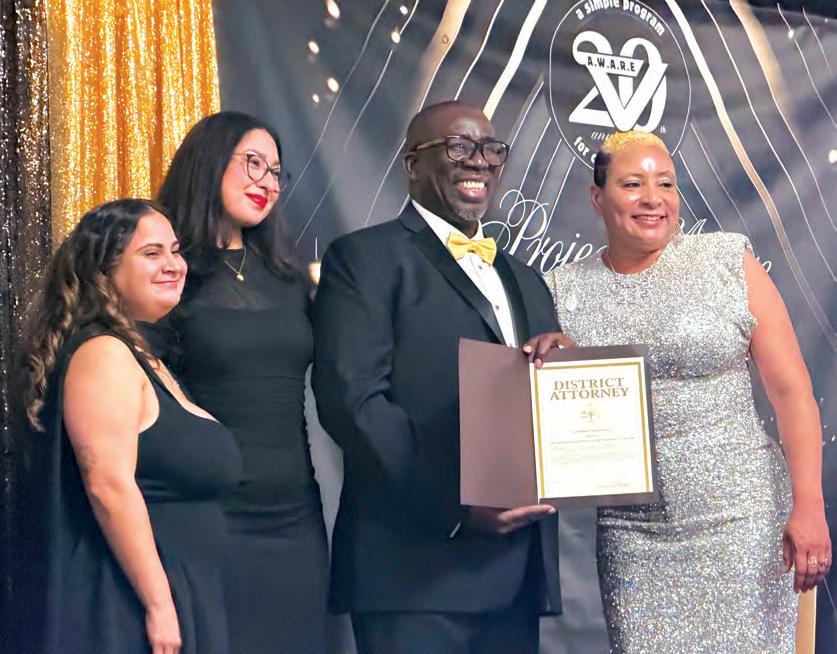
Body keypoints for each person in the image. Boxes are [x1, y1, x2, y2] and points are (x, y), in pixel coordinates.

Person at [529, 130, 831, 653]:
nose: (653, 198)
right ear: (597, 197)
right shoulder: (561, 290)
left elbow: (792, 393)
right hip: (633, 534)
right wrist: (555, 363)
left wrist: (809, 506)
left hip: (744, 519)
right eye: (633, 184)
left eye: (665, 183)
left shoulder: (726, 260)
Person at [312, 100, 565, 654]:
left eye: (491, 149)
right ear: (412, 165)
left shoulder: (527, 279)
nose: (479, 161)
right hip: (412, 569)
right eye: (458, 146)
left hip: (513, 575)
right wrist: (455, 504)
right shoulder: (364, 258)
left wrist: (562, 375)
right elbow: (352, 400)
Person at [14, 199, 241, 654]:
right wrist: (159, 604)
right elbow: (107, 484)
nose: (173, 265)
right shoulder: (103, 354)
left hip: (181, 591)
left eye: (175, 251)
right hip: (126, 605)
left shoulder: (144, 358)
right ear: (103, 271)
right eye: (151, 253)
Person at [156, 111, 328, 654]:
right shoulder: (167, 271)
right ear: (209, 162)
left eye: (276, 171)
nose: (267, 182)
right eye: (253, 163)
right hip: (206, 516)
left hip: (296, 516)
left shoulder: (289, 277)